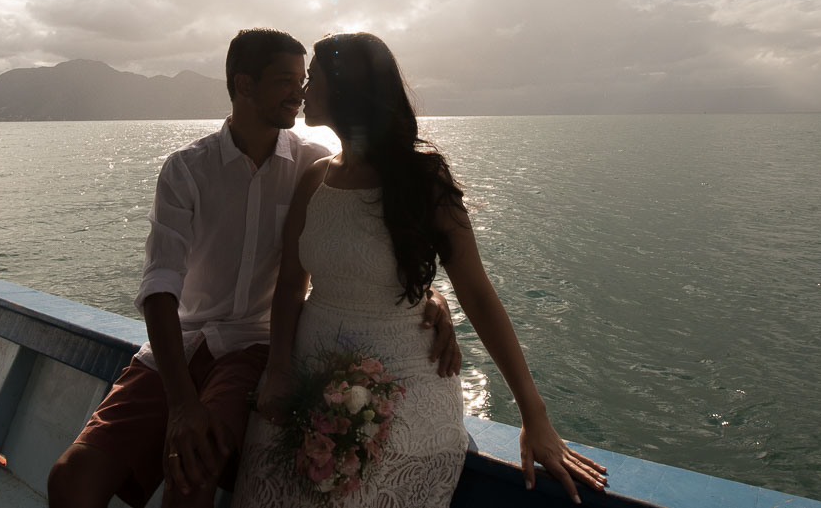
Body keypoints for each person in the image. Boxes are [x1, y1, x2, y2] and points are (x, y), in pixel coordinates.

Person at [47, 29, 460, 508]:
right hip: (180, 347)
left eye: (304, 80)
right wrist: (181, 403)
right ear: (244, 84)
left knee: (193, 468)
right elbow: (159, 285)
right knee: (69, 480)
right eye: (286, 80)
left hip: (253, 347)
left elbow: (368, 248)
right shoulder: (187, 169)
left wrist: (429, 295)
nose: (300, 92)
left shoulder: (314, 167)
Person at [231, 32, 607, 507]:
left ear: (346, 90)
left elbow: (478, 294)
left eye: (315, 79)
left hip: (405, 380)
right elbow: (289, 287)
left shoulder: (423, 180)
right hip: (307, 372)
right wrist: (280, 371)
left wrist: (535, 416)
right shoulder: (313, 178)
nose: (304, 91)